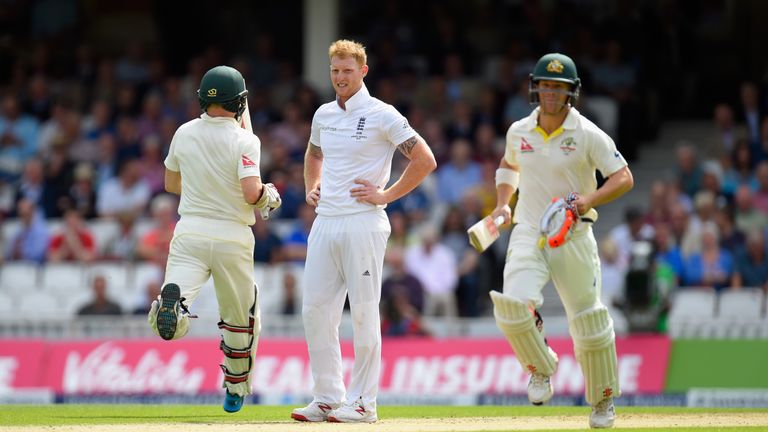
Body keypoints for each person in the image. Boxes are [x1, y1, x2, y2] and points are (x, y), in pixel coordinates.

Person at [291, 40, 436, 424]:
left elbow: (425, 159)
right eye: (335, 71)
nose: (340, 78)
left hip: (363, 221)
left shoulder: (381, 114)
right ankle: (327, 396)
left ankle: (363, 402)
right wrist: (312, 185)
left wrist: (386, 194)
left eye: (347, 71)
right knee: (315, 311)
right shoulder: (323, 114)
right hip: (325, 221)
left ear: (363, 71)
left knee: (364, 313)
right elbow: (313, 154)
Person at [487, 53, 634, 429]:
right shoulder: (519, 130)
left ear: (571, 92)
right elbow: (508, 167)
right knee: (512, 308)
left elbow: (623, 177)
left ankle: (602, 402)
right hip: (528, 231)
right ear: (536, 88)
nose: (552, 93)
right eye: (546, 85)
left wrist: (589, 199)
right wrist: (503, 205)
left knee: (590, 323)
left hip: (574, 235)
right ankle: (540, 367)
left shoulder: (587, 133)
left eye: (560, 87)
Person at [146, 65, 281, 414]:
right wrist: (269, 196)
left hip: (189, 230)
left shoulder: (183, 133)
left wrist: (203, 183)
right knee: (241, 318)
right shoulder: (246, 140)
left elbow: (171, 185)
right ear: (239, 103)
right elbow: (251, 193)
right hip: (232, 236)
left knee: (174, 296)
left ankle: (173, 312)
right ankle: (236, 389)